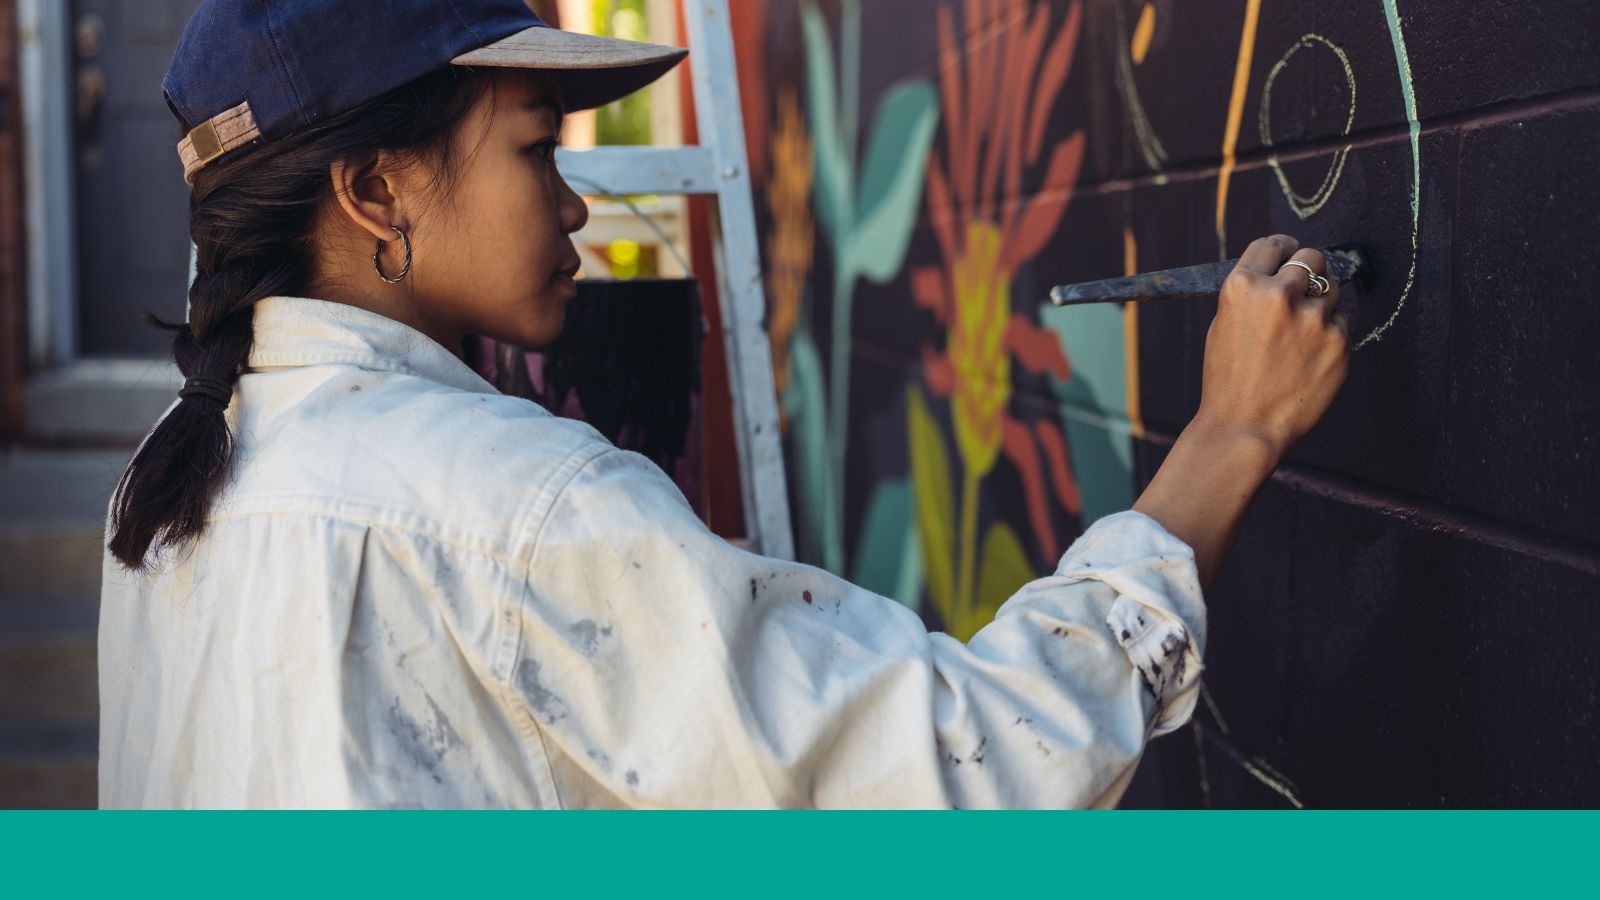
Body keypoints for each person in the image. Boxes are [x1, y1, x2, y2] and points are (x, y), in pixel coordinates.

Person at [98, 0, 1349, 809]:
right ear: (376, 191)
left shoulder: (171, 480)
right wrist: (1230, 434)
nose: (575, 203)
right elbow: (964, 775)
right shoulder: (512, 506)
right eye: (538, 149)